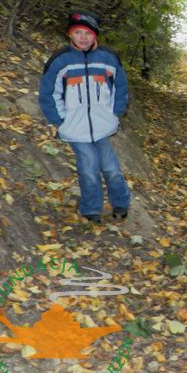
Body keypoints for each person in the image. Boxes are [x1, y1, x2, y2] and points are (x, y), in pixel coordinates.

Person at [39, 11, 131, 223]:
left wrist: (114, 115)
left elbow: (120, 89)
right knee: (88, 166)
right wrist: (61, 121)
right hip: (74, 128)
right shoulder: (60, 61)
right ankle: (91, 209)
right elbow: (48, 94)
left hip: (103, 126)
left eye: (87, 33)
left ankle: (121, 203)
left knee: (111, 169)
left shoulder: (108, 59)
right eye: (77, 32)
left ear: (95, 35)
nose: (83, 37)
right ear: (70, 34)